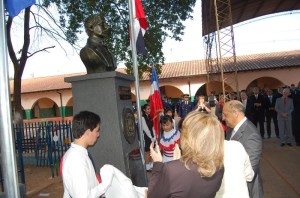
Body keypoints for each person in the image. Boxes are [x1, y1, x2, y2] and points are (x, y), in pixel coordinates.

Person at [148, 111, 224, 197]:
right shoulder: (219, 166)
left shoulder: (172, 169)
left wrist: (157, 164)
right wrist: (177, 162)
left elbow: (152, 195)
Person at [61, 111, 111, 197]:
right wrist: (105, 185)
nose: (98, 135)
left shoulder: (78, 154)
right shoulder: (76, 160)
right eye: (97, 130)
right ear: (88, 132)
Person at [222, 100, 263, 198]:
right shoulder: (231, 129)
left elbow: (249, 173)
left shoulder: (251, 135)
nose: (223, 118)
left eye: (225, 114)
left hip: (245, 190)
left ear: (235, 113)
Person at [141, 104, 156, 171]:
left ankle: (150, 164)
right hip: (147, 136)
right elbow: (146, 129)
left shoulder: (149, 117)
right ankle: (147, 166)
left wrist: (154, 136)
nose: (149, 110)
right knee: (148, 151)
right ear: (144, 110)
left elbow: (152, 127)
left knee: (151, 150)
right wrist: (151, 137)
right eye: (147, 109)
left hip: (151, 135)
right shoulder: (142, 117)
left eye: (150, 109)